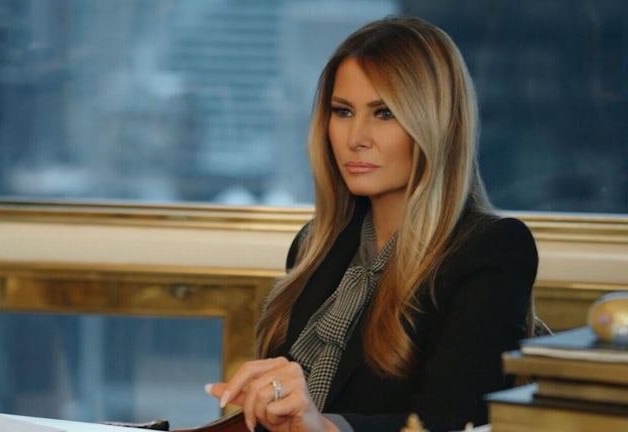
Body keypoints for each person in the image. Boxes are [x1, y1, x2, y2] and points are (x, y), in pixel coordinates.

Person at [205, 16, 538, 432]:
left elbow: (454, 422)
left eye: (384, 113)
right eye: (343, 111)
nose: (356, 137)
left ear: (435, 124)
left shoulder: (492, 250)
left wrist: (327, 427)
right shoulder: (315, 245)